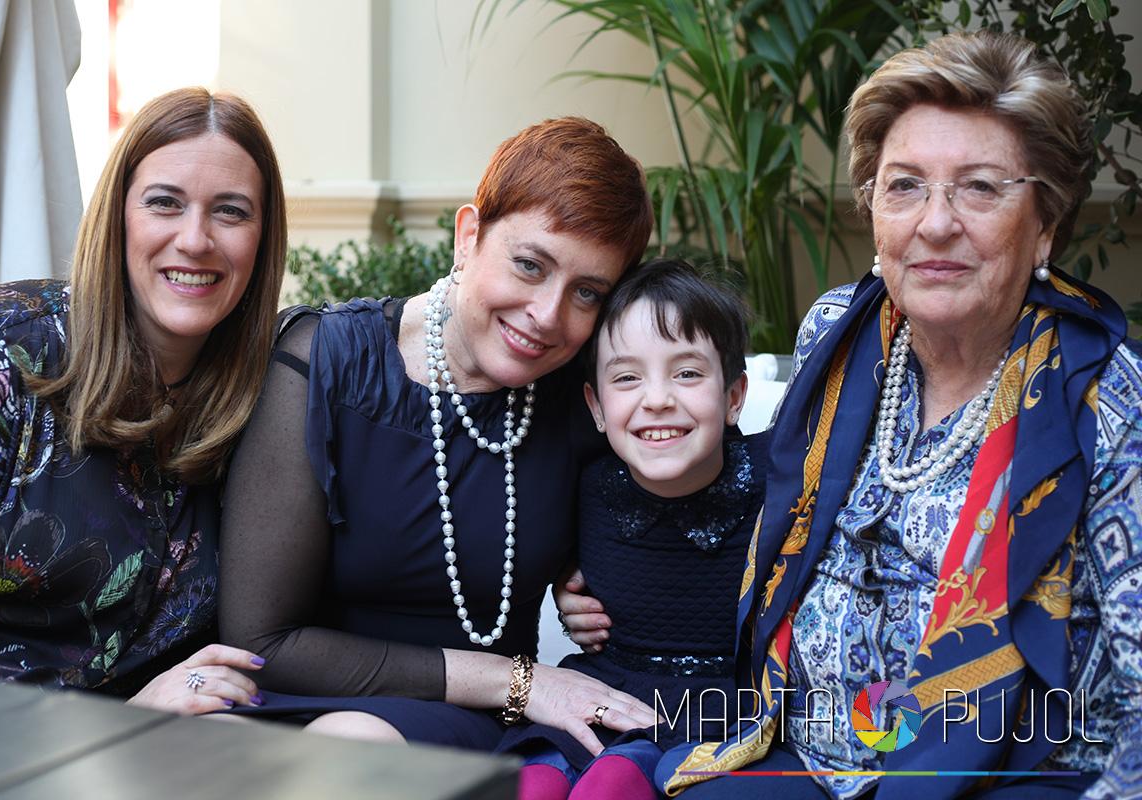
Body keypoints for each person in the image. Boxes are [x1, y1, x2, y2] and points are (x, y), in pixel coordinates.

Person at [564, 32, 1142, 799]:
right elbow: (734, 483)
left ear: (1045, 225)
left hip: (1012, 772)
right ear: (874, 211)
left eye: (979, 187)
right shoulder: (838, 335)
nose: (935, 222)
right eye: (905, 186)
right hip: (814, 757)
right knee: (679, 786)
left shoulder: (1104, 395)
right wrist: (589, 570)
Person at [218, 117, 656, 754]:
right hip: (300, 691)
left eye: (587, 293)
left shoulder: (578, 397)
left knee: (348, 745)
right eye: (529, 265)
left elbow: (685, 504)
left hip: (456, 722)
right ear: (469, 235)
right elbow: (259, 643)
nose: (547, 315)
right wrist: (517, 680)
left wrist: (588, 573)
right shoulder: (323, 363)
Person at [0, 88, 287, 715]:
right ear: (118, 216)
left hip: (179, 746)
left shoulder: (269, 393)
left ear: (263, 240)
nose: (195, 239)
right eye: (164, 203)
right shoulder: (1, 350)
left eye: (231, 212)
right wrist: (112, 726)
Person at [497, 259, 767, 800]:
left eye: (687, 373)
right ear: (597, 407)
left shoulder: (778, 483)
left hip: (719, 710)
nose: (657, 398)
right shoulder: (585, 483)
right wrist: (564, 585)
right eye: (626, 378)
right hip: (602, 691)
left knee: (614, 783)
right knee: (534, 782)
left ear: (734, 397)